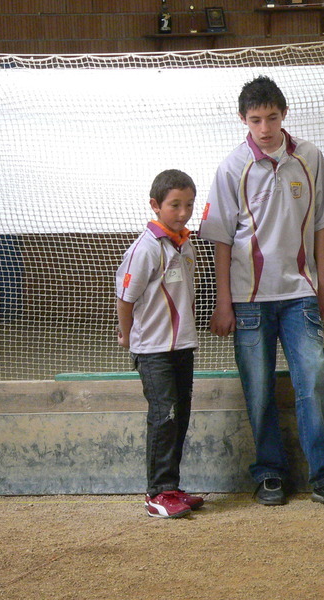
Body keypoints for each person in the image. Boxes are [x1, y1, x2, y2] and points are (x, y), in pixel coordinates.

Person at [200, 76, 324, 509]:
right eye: (256, 120)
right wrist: (223, 302)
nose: (265, 128)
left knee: (315, 378)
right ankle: (269, 473)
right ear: (243, 119)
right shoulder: (232, 167)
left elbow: (323, 225)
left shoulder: (309, 157)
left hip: (300, 294)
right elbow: (221, 239)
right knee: (258, 389)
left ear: (284, 114)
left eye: (272, 118)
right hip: (249, 300)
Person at [116, 169, 204, 518]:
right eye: (174, 205)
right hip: (153, 350)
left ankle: (172, 487)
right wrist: (127, 336)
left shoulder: (185, 244)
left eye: (189, 205)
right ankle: (157, 493)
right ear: (155, 205)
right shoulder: (146, 249)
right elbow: (125, 298)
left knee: (179, 417)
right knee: (163, 415)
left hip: (182, 346)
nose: (183, 212)